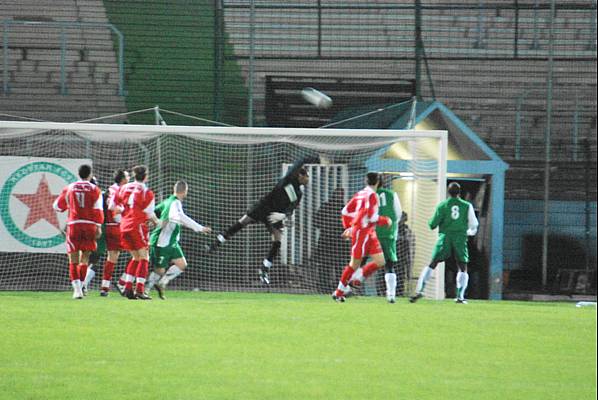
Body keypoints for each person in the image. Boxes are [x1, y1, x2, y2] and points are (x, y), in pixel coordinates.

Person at [206, 155, 317, 285]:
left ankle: (264, 269)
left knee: (277, 240)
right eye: (307, 176)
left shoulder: (299, 193)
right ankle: (216, 243)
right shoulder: (290, 177)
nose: (308, 179)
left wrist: (283, 215)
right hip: (264, 206)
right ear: (300, 175)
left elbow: (292, 208)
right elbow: (301, 160)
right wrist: (318, 159)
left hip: (275, 215)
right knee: (243, 221)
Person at [410, 182, 479, 304]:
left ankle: (419, 291)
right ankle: (460, 297)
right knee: (463, 267)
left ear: (448, 192)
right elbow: (474, 225)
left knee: (433, 263)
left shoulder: (442, 205)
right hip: (460, 237)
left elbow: (432, 225)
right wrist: (466, 232)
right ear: (460, 192)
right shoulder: (467, 206)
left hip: (445, 237)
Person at [145, 180, 212, 299]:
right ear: (185, 191)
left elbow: (155, 211)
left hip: (172, 242)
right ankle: (145, 290)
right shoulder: (174, 203)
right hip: (162, 241)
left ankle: (162, 283)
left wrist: (152, 221)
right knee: (159, 270)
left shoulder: (168, 201)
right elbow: (182, 217)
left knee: (182, 265)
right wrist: (200, 228)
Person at [332, 172, 391, 302]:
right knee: (354, 264)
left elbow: (345, 211)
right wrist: (385, 220)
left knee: (380, 261)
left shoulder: (360, 193)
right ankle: (339, 291)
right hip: (363, 232)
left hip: (369, 233)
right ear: (378, 182)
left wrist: (349, 226)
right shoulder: (372, 195)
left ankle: (357, 278)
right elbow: (371, 217)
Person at [53, 164, 104, 299]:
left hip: (74, 224)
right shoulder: (95, 189)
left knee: (73, 259)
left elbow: (57, 207)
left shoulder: (69, 187)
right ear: (90, 174)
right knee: (85, 258)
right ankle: (81, 285)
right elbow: (99, 210)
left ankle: (76, 290)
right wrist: (98, 226)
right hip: (89, 225)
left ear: (79, 173)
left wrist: (70, 205)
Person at [117, 165, 159, 300]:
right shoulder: (147, 192)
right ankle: (140, 290)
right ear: (146, 176)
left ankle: (128, 287)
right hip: (137, 225)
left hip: (124, 226)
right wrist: (157, 222)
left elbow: (113, 205)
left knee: (136, 258)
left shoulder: (123, 188)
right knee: (144, 257)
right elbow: (149, 213)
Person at [89, 169, 128, 297]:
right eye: (127, 176)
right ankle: (123, 282)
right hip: (117, 226)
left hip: (108, 226)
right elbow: (113, 207)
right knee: (141, 252)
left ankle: (104, 287)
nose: (129, 178)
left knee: (112, 257)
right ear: (123, 179)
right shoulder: (118, 191)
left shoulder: (109, 190)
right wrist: (122, 217)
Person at [313, 188, 349, 292]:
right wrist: (327, 227)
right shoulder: (328, 207)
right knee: (326, 265)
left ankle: (338, 287)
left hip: (338, 242)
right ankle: (324, 287)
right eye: (338, 194)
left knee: (338, 266)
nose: (339, 196)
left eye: (341, 194)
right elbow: (316, 221)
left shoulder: (344, 209)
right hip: (328, 241)